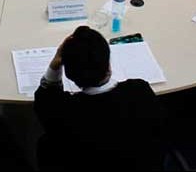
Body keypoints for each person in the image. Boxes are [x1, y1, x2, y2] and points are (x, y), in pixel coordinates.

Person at [33, 26, 165, 170]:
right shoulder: (140, 91)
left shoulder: (63, 112)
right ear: (108, 66)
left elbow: (45, 97)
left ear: (69, 75)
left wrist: (55, 65)